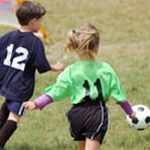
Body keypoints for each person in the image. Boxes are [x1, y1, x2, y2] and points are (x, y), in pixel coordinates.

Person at [24, 24, 135, 150]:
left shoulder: (70, 71)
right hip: (96, 112)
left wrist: (37, 103)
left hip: (76, 115)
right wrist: (130, 113)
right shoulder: (106, 69)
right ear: (97, 47)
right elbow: (119, 95)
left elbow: (57, 90)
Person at [0, 1, 64, 150]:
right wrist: (54, 68)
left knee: (6, 107)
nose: (41, 24)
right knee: (14, 116)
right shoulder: (35, 42)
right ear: (33, 21)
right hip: (20, 86)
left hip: (6, 81)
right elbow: (42, 65)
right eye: (41, 21)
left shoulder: (8, 36)